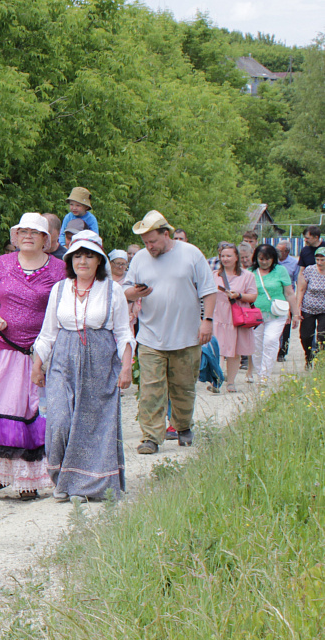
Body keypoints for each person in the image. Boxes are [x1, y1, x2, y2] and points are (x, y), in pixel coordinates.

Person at [0, 212, 64, 500]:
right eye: (23, 231)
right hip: (4, 349)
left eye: (35, 232)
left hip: (41, 353)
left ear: (46, 239)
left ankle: (30, 480)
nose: (28, 236)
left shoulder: (59, 269)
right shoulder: (3, 263)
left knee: (33, 414)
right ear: (16, 237)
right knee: (3, 411)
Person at [32, 232, 134, 502]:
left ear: (99, 261)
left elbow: (123, 332)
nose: (83, 261)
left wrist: (126, 367)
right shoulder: (60, 289)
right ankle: (61, 478)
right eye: (77, 255)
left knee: (94, 425)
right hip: (63, 360)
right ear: (70, 260)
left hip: (100, 361)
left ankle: (85, 486)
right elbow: (48, 333)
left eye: (89, 256)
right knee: (59, 422)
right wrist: (37, 365)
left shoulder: (113, 290)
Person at [125, 211, 218, 454]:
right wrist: (134, 293)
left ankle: (183, 426)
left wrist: (207, 321)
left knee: (183, 388)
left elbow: (209, 290)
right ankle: (151, 437)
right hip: (150, 336)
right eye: (145, 242)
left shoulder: (191, 254)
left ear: (166, 234)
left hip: (186, 336)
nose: (149, 247)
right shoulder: (140, 259)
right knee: (150, 390)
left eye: (153, 241)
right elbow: (125, 291)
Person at [212, 242, 257, 393]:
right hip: (218, 316)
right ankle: (216, 381)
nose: (225, 259)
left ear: (236, 257)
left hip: (236, 317)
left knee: (234, 351)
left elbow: (253, 296)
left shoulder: (247, 276)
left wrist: (239, 295)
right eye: (223, 256)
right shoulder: (214, 275)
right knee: (217, 350)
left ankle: (230, 382)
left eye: (229, 256)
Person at [250, 243, 294, 386]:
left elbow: (289, 293)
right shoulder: (250, 272)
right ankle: (259, 372)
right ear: (256, 258)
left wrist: (295, 313)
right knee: (256, 346)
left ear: (273, 258)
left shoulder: (280, 270)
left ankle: (265, 375)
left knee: (270, 340)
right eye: (261, 259)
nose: (264, 262)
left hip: (276, 314)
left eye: (267, 259)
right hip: (256, 315)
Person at [296, 247, 325, 367]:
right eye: (317, 259)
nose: (319, 262)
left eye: (322, 260)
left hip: (324, 309)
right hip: (308, 307)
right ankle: (308, 356)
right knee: (305, 336)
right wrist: (298, 307)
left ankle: (321, 358)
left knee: (322, 335)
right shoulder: (310, 270)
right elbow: (301, 289)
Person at [277, 242, 298, 361]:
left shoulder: (294, 263)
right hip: (274, 296)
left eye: (280, 251)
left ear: (287, 252)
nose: (277, 253)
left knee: (286, 326)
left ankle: (282, 352)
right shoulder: (272, 261)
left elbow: (297, 281)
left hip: (287, 297)